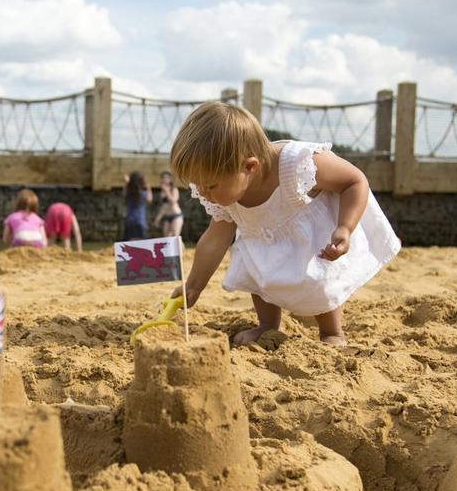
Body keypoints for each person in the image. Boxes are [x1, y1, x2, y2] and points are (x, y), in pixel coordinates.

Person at [169, 101, 401, 346]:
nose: (203, 193)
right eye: (198, 184)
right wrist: (194, 286)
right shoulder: (227, 193)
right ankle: (267, 326)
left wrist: (345, 226)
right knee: (257, 272)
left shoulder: (298, 165)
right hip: (263, 242)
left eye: (211, 185)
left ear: (249, 166)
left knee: (319, 280)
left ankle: (331, 331)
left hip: (310, 241)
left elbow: (354, 181)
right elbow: (214, 240)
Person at [153, 170, 184, 237]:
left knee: (176, 236)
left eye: (167, 178)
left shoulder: (174, 189)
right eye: (163, 178)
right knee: (166, 238)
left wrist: (167, 191)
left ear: (170, 179)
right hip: (167, 217)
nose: (165, 179)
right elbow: (164, 207)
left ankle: (181, 247)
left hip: (176, 216)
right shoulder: (162, 193)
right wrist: (158, 219)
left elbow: (173, 201)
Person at [124, 171, 152, 240]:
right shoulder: (143, 194)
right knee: (141, 242)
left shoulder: (129, 192)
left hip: (130, 220)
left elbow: (124, 192)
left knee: (131, 241)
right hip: (140, 221)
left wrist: (127, 183)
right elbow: (150, 199)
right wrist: (149, 188)